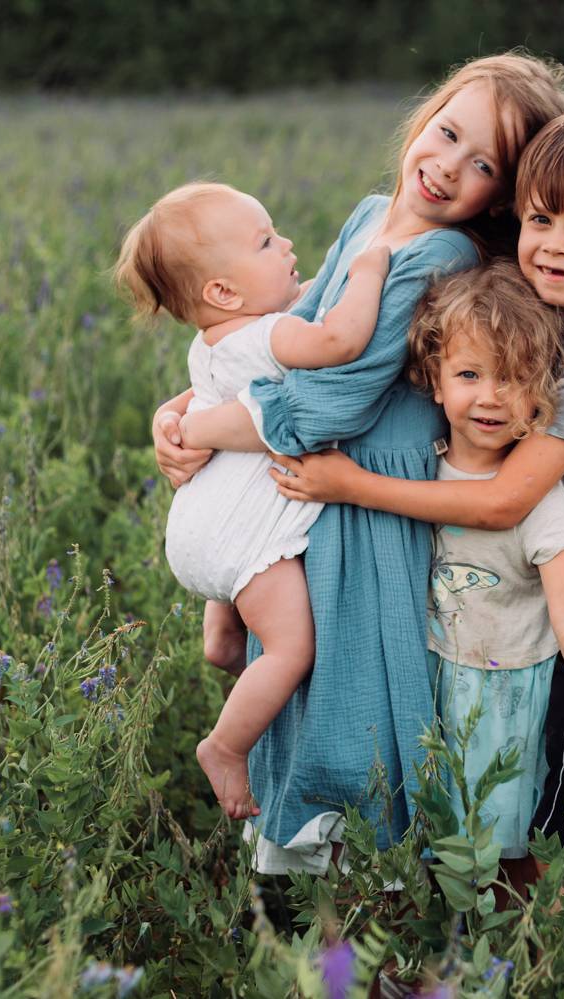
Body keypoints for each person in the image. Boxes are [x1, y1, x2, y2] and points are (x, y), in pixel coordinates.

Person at [151, 53, 564, 873]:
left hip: (368, 490)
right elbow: (290, 332)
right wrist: (184, 408)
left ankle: (363, 869)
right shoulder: (372, 215)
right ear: (423, 120)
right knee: (302, 667)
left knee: (353, 677)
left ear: (500, 196)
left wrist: (206, 427)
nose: (448, 166)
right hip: (314, 480)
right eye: (446, 134)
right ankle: (306, 867)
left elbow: (331, 402)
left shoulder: (441, 257)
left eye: (484, 165)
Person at [272, 105, 564, 852]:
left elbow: (506, 500)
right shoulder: (547, 322)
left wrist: (351, 484)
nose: (555, 244)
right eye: (541, 219)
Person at [114, 181, 391, 820]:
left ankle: (225, 649)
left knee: (230, 645)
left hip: (198, 525)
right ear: (223, 292)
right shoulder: (269, 336)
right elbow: (340, 342)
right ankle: (226, 746)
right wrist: (369, 271)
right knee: (292, 648)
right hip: (243, 538)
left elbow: (205, 395)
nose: (287, 244)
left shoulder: (211, 342)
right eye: (267, 242)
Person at [406, 260, 564, 871]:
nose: (490, 396)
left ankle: (515, 938)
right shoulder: (417, 470)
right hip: (433, 679)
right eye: (469, 374)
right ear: (435, 380)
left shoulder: (538, 500)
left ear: (543, 394)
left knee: (508, 846)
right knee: (436, 846)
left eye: (514, 378)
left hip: (509, 694)